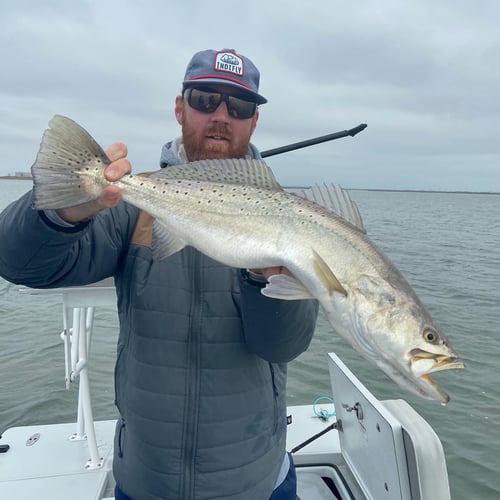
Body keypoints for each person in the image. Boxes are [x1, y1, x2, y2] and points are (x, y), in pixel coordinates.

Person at [0, 49, 318, 499]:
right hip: (146, 483)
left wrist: (264, 275)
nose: (221, 116)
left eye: (240, 106)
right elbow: (20, 264)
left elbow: (283, 345)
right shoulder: (130, 205)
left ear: (254, 121)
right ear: (179, 107)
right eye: (205, 99)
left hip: (256, 484)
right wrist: (64, 211)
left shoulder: (288, 219)